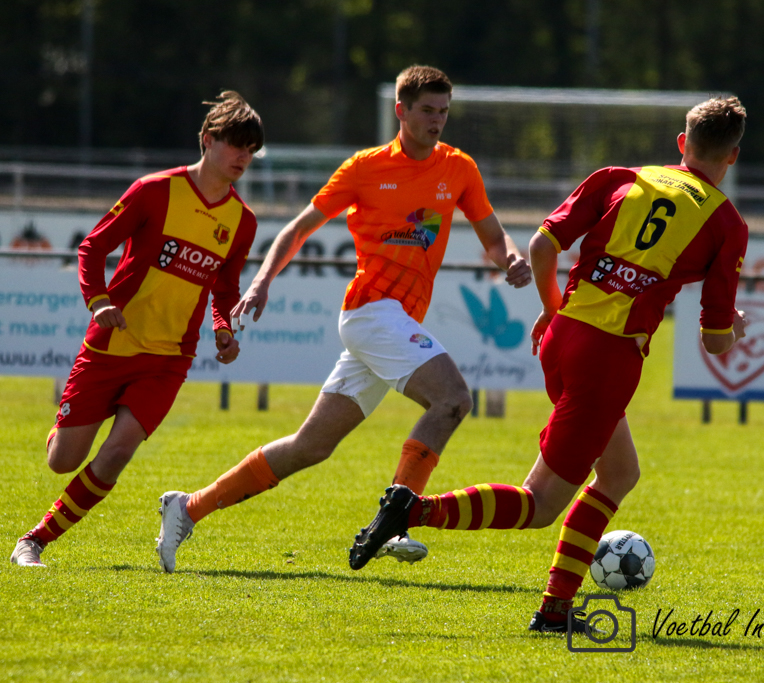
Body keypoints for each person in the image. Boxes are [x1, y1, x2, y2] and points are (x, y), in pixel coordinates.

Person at [347, 97, 749, 635]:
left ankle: (555, 607)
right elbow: (716, 342)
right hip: (608, 358)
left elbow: (541, 246)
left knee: (620, 472)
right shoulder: (726, 223)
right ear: (733, 156)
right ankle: (415, 512)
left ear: (682, 143)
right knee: (538, 504)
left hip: (561, 337)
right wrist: (735, 327)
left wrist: (551, 307)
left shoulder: (620, 177)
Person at [155, 64, 532, 573]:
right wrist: (262, 282)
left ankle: (188, 507)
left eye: (444, 111)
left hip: (392, 323)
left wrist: (510, 258)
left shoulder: (459, 168)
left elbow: (492, 234)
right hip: (371, 312)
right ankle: (397, 518)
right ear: (401, 111)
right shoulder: (364, 168)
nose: (437, 120)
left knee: (310, 447)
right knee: (453, 399)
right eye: (427, 110)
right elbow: (298, 228)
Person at [9, 91, 264, 568]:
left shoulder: (242, 221)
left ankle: (34, 541)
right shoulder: (154, 190)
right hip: (112, 344)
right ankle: (65, 425)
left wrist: (224, 329)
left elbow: (225, 286)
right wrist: (99, 301)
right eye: (236, 145)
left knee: (118, 452)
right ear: (208, 139)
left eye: (251, 150)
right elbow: (91, 248)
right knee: (63, 460)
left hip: (169, 359)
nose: (243, 157)